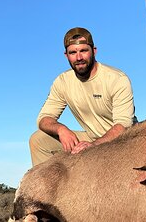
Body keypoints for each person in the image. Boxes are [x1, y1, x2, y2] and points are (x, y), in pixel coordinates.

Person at [29, 27, 135, 166]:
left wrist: (94, 145)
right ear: (66, 55)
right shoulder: (62, 82)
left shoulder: (117, 79)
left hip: (121, 141)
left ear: (94, 51)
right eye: (73, 52)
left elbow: (123, 125)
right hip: (90, 137)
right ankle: (46, 187)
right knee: (38, 140)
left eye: (83, 51)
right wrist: (61, 130)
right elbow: (43, 119)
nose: (79, 57)